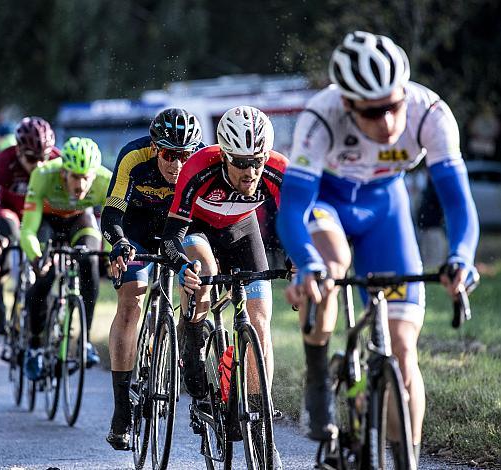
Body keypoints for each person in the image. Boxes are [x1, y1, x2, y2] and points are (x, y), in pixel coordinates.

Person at [276, 31, 479, 465]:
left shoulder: (431, 114)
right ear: (347, 103)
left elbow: (458, 202)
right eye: (372, 112)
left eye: (393, 106)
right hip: (327, 204)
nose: (387, 123)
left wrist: (459, 256)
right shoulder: (321, 117)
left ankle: (405, 456)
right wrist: (307, 263)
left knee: (404, 353)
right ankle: (317, 376)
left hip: (385, 209)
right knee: (333, 264)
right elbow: (293, 209)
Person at [159, 106, 287, 467]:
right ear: (225, 155)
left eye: (256, 162)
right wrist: (184, 267)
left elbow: (297, 222)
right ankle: (195, 348)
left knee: (260, 324)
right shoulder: (198, 168)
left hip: (242, 232)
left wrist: (297, 257)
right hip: (198, 231)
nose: (250, 172)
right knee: (207, 273)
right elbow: (172, 237)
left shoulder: (277, 169)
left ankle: (260, 430)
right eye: (241, 163)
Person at [102, 108, 204, 450]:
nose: (176, 165)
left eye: (184, 156)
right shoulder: (134, 156)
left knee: (199, 275)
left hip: (182, 227)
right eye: (168, 155)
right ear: (154, 148)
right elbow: (113, 210)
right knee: (132, 301)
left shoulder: (202, 162)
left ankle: (192, 350)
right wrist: (118, 243)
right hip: (136, 230)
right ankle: (121, 411)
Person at [20, 136, 111, 380]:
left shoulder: (105, 181)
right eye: (74, 176)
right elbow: (27, 229)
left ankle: (86, 341)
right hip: (47, 223)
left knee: (89, 261)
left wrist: (112, 255)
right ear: (63, 172)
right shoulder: (43, 175)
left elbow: (114, 225)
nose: (81, 184)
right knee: (45, 274)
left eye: (86, 177)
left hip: (79, 221)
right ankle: (35, 346)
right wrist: (36, 256)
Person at [0, 116, 59, 336]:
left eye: (44, 158)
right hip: (11, 213)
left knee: (45, 257)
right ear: (18, 151)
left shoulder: (57, 160)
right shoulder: (1, 162)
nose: (39, 165)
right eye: (32, 159)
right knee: (4, 248)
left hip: (40, 214)